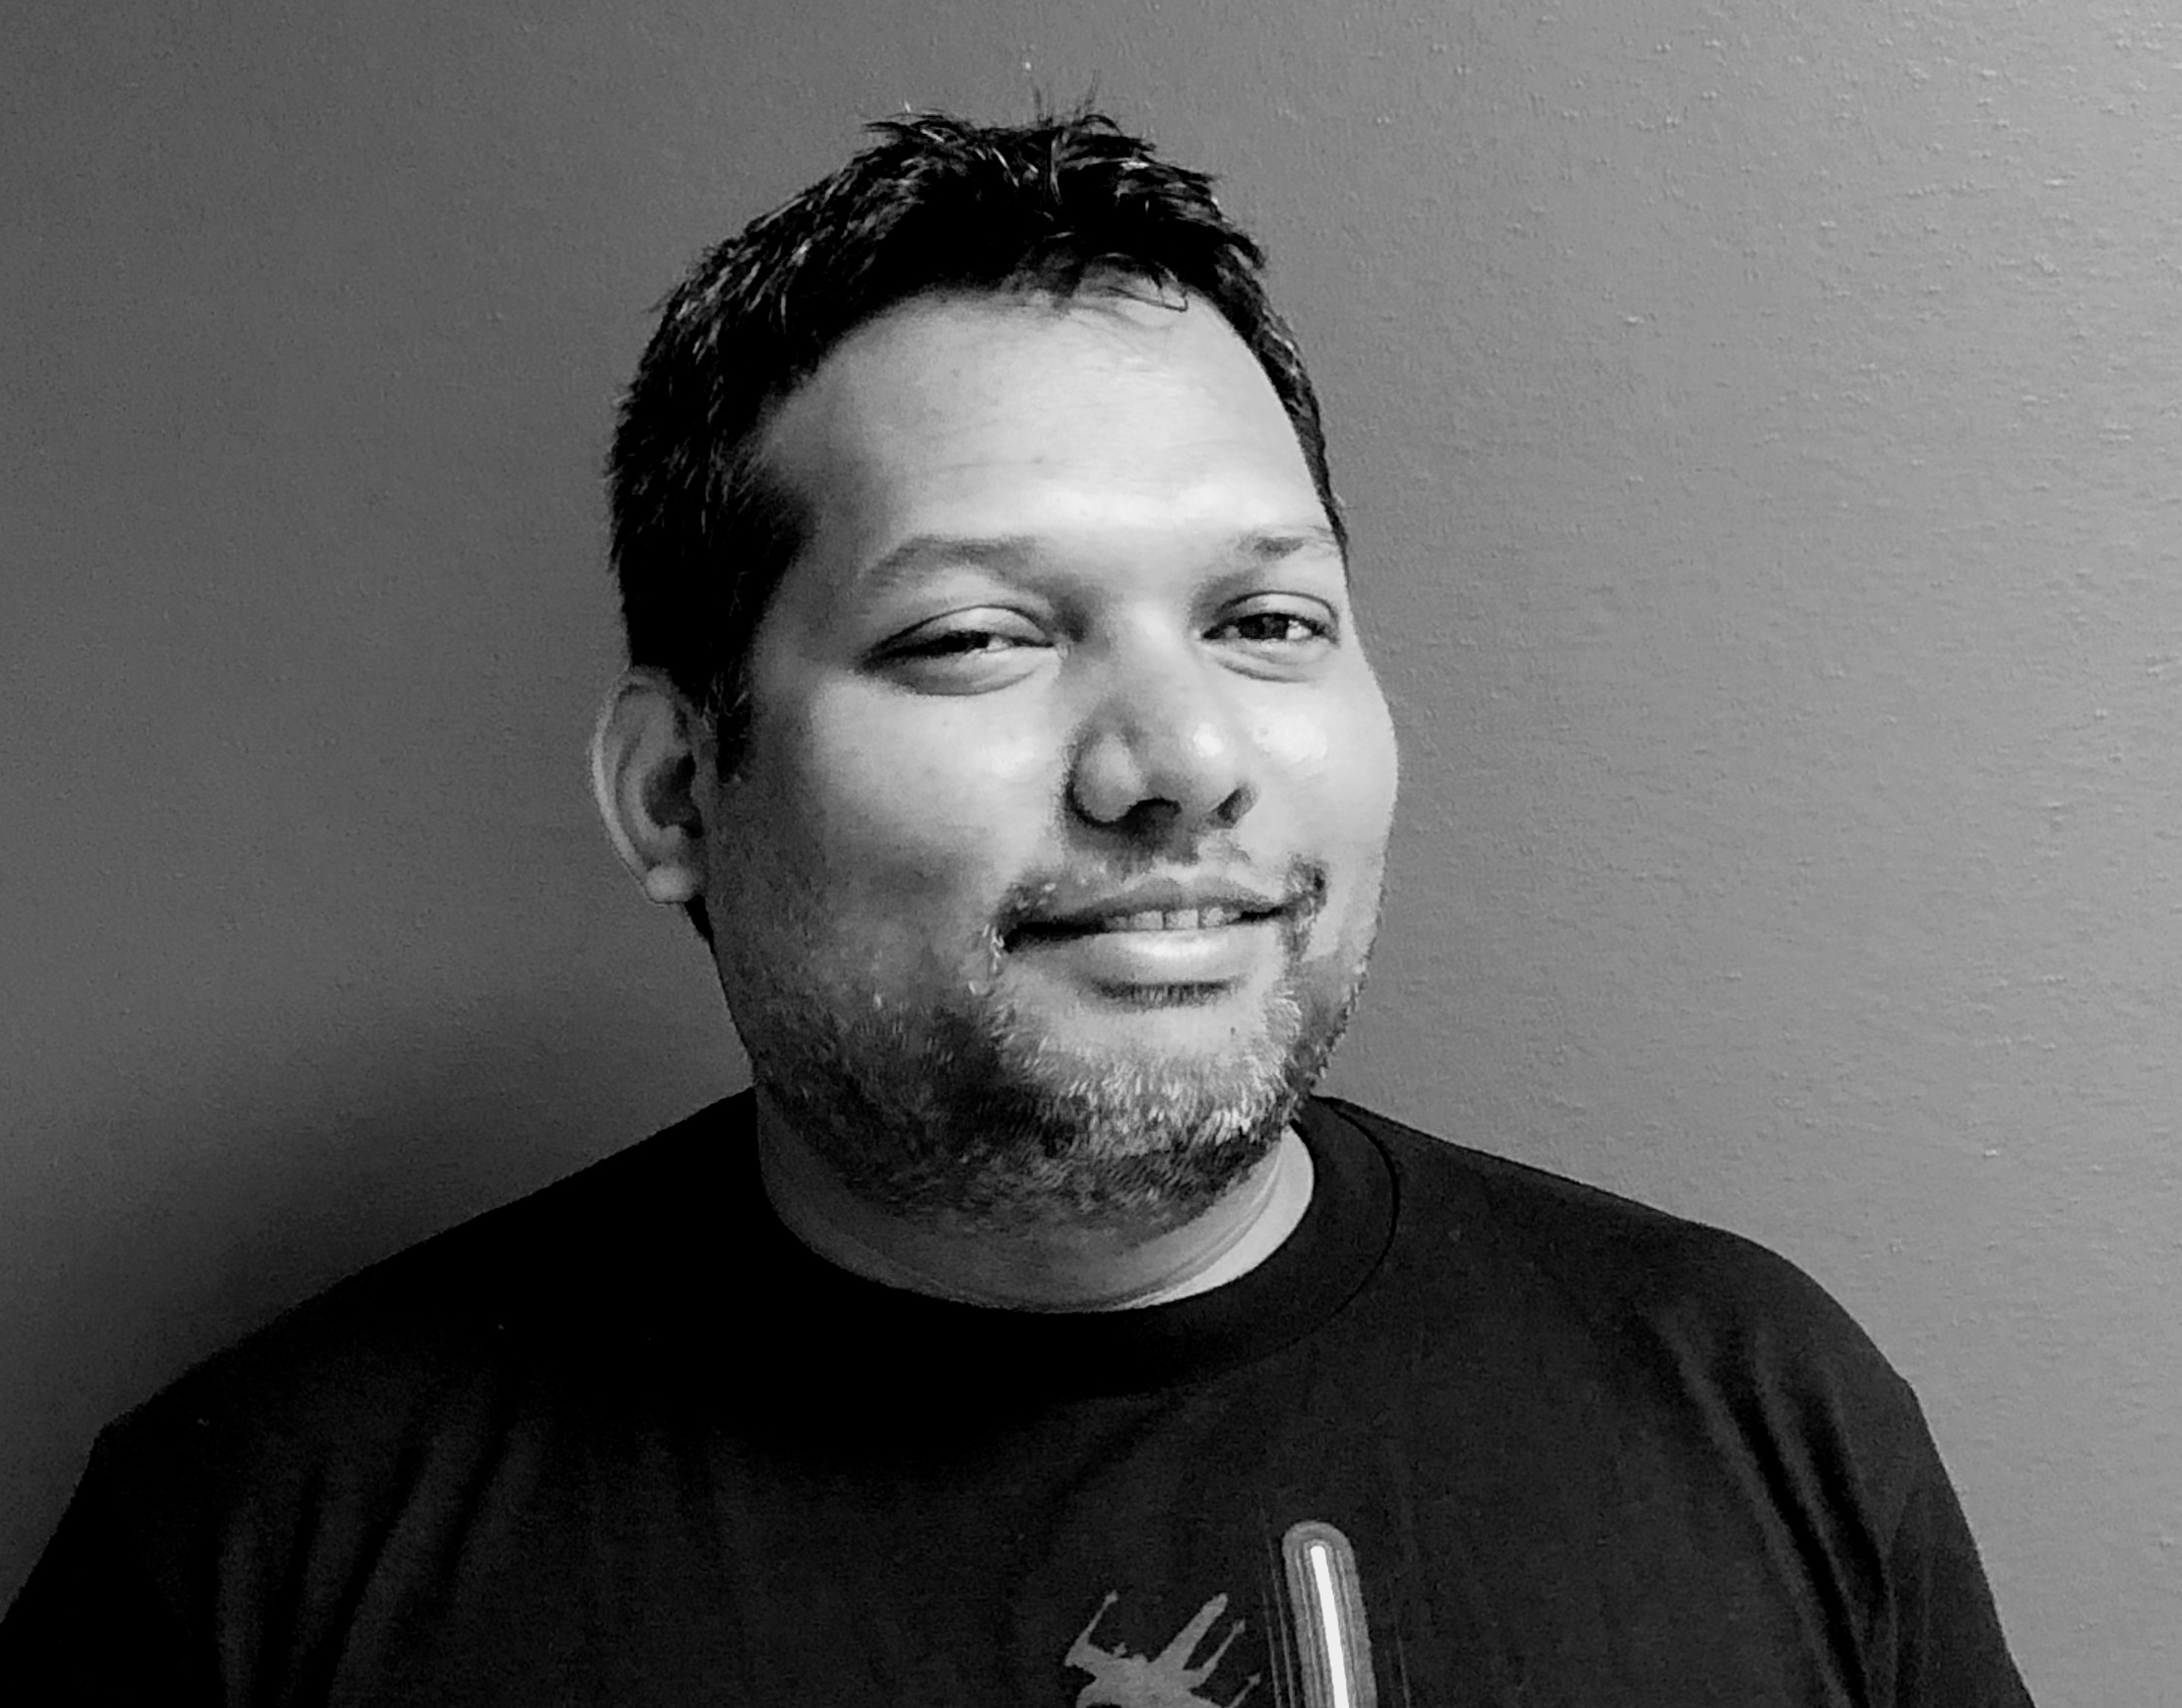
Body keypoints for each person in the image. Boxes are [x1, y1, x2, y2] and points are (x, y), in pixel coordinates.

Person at [0, 109, 2032, 1705]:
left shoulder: (1751, 1412)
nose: (1178, 755)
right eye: (977, 636)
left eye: (1265, 620)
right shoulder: (269, 1556)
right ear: (674, 791)